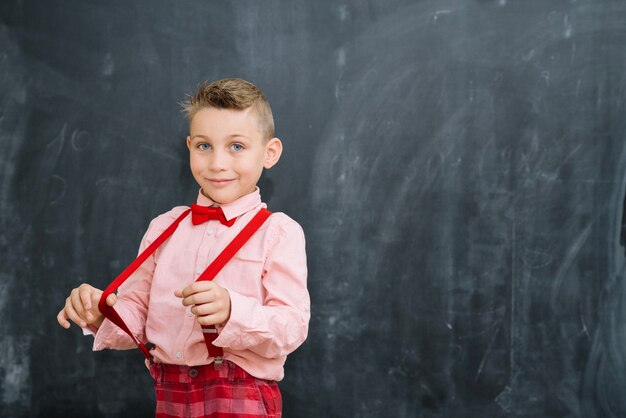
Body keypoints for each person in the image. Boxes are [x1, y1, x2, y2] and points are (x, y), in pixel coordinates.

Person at [56, 78, 310, 418]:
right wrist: (103, 313)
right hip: (170, 392)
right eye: (205, 146)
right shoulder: (164, 226)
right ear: (189, 146)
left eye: (236, 146)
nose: (218, 163)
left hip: (240, 394)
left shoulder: (279, 232)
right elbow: (138, 312)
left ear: (270, 153)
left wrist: (233, 310)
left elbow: (292, 327)